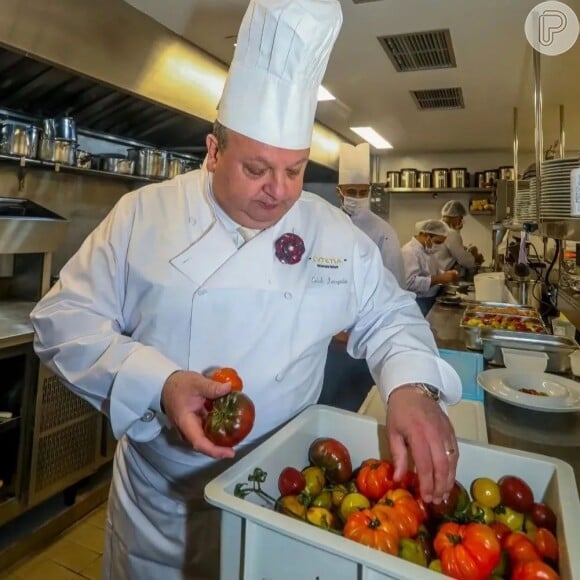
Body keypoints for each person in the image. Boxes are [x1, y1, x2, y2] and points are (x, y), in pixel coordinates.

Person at [30, 1, 461, 578]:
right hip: (163, 513)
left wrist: (412, 385)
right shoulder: (143, 216)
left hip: (280, 499)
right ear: (213, 151)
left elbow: (388, 314)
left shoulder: (328, 229)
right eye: (257, 169)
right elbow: (61, 322)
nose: (278, 192)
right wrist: (158, 383)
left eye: (294, 169)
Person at [319, 142, 405, 411]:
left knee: (356, 405)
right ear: (339, 192)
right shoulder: (325, 225)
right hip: (326, 339)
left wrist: (358, 330)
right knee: (323, 402)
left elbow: (394, 290)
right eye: (350, 192)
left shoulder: (384, 232)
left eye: (362, 192)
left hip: (363, 338)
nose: (356, 197)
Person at [402, 219, 459, 316]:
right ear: (426, 236)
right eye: (437, 242)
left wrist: (445, 274)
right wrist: (439, 279)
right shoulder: (409, 252)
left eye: (441, 243)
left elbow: (432, 270)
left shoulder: (427, 249)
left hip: (429, 299)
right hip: (417, 302)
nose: (438, 246)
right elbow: (409, 283)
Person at [435, 200, 484, 275]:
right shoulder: (450, 233)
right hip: (440, 276)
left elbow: (450, 247)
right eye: (460, 218)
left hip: (433, 274)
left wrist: (457, 231)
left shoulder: (436, 227)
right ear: (454, 216)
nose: (461, 221)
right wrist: (475, 259)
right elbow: (464, 260)